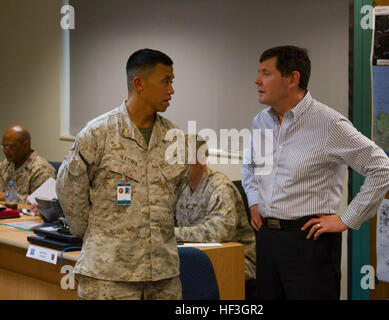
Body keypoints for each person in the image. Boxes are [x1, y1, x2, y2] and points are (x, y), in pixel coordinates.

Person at [242, 45, 389, 300]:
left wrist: (347, 218)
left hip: (309, 242)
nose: (257, 80)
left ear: (292, 78)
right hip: (267, 239)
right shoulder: (261, 121)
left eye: (266, 73)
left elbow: (382, 169)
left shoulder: (329, 124)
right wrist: (254, 199)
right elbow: (250, 165)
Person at [56, 49, 188, 300]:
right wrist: (101, 235)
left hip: (162, 276)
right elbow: (70, 192)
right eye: (166, 81)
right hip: (109, 273)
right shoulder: (98, 133)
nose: (171, 90)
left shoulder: (174, 138)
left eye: (172, 82)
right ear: (139, 83)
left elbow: (174, 194)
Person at [174, 136, 256, 297]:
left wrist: (173, 233)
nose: (178, 168)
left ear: (202, 160)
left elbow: (220, 231)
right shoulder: (181, 187)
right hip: (195, 259)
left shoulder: (219, 185)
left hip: (234, 262)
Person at [0, 125, 56, 203]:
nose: (5, 151)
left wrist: (8, 196)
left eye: (10, 146)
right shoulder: (7, 163)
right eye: (3, 146)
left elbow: (40, 204)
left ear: (25, 145)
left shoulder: (42, 170)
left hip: (26, 214)